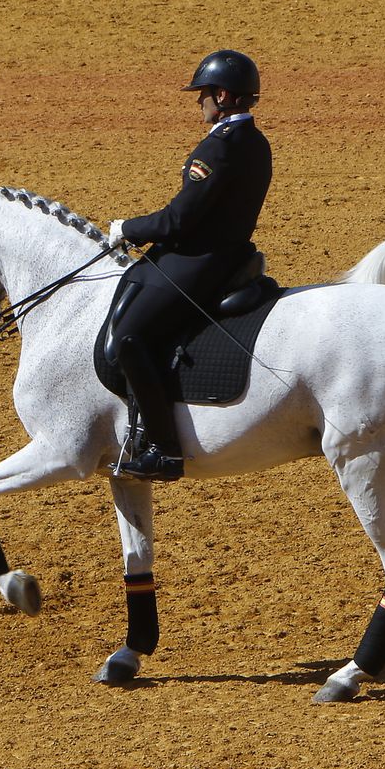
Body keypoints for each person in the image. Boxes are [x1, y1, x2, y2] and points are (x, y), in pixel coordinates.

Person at [99, 50, 273, 483]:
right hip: (229, 252)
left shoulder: (219, 147)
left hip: (201, 260)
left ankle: (164, 448)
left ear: (224, 95)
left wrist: (129, 227)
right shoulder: (256, 141)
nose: (199, 102)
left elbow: (179, 219)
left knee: (130, 335)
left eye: (204, 95)